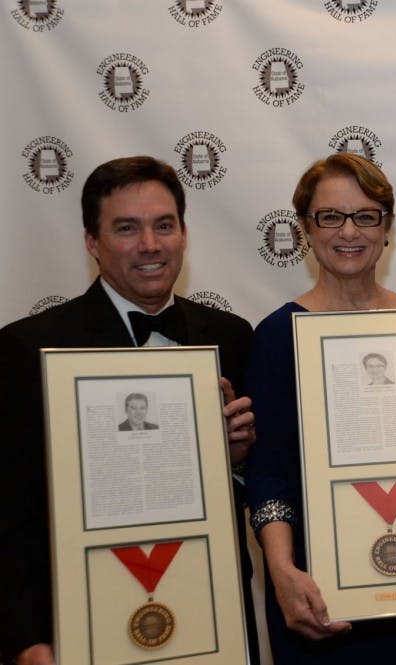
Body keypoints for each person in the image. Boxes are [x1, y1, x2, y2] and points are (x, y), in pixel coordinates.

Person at [0, 156, 260, 665]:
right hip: (82, 619)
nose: (150, 245)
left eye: (164, 225)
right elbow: (10, 512)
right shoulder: (29, 349)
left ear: (184, 233)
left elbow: (255, 484)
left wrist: (237, 459)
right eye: (127, 228)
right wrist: (27, 638)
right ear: (92, 242)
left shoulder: (231, 337)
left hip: (211, 610)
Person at [244, 153, 396, 663]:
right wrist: (282, 572)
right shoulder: (275, 335)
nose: (348, 231)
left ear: (388, 227)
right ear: (305, 229)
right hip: (326, 590)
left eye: (365, 216)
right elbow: (268, 475)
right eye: (330, 216)